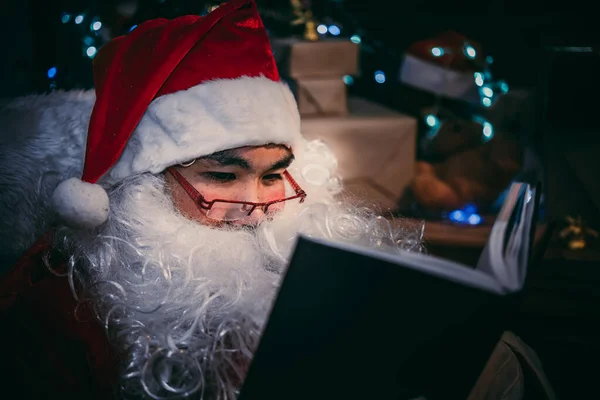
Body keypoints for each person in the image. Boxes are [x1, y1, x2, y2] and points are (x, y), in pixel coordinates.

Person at [0, 1, 555, 399]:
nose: (257, 204)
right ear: (143, 182)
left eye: (274, 176)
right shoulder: (53, 308)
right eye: (223, 175)